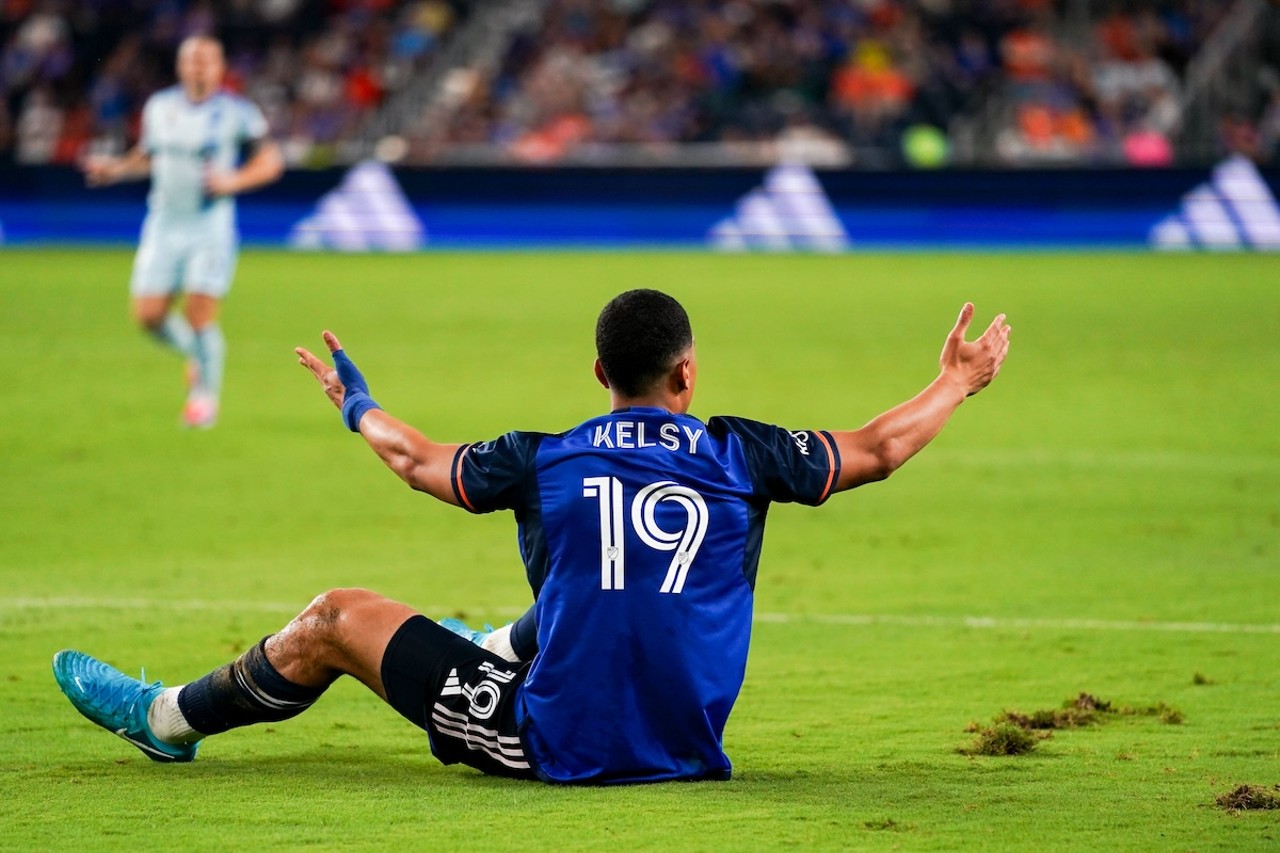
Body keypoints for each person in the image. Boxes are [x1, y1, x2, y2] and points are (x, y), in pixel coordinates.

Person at [52, 290, 1010, 783]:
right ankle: (499, 645)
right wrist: (958, 381)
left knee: (337, 617)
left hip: (558, 744)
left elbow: (414, 458)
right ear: (687, 373)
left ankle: (167, 718)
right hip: (691, 743)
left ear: (599, 370)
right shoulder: (744, 455)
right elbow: (881, 447)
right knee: (595, 587)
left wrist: (358, 405)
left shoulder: (541, 458)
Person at [82, 35, 284, 428]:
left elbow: (271, 162)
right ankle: (199, 354)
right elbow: (150, 157)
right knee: (148, 316)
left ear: (220, 67)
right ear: (180, 66)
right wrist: (117, 170)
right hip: (163, 224)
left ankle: (203, 400)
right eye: (191, 60)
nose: (198, 67)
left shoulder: (238, 113)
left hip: (209, 227)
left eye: (206, 60)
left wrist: (234, 180)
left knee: (198, 313)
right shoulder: (160, 108)